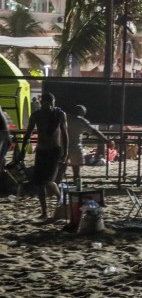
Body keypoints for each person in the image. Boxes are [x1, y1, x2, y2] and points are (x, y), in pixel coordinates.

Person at [20, 93, 68, 221]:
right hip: (42, 151)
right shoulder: (36, 116)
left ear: (54, 102)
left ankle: (60, 199)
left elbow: (64, 133)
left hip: (54, 151)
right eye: (47, 103)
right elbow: (28, 134)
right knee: (39, 183)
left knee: (49, 181)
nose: (49, 106)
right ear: (42, 103)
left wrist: (65, 152)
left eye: (51, 103)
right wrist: (23, 150)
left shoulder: (59, 114)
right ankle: (44, 212)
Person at [65, 105, 107, 188]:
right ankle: (77, 187)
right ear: (82, 113)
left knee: (60, 170)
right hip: (75, 148)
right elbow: (94, 131)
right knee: (76, 171)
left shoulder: (65, 119)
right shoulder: (82, 121)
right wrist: (105, 140)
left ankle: (55, 188)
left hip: (63, 148)